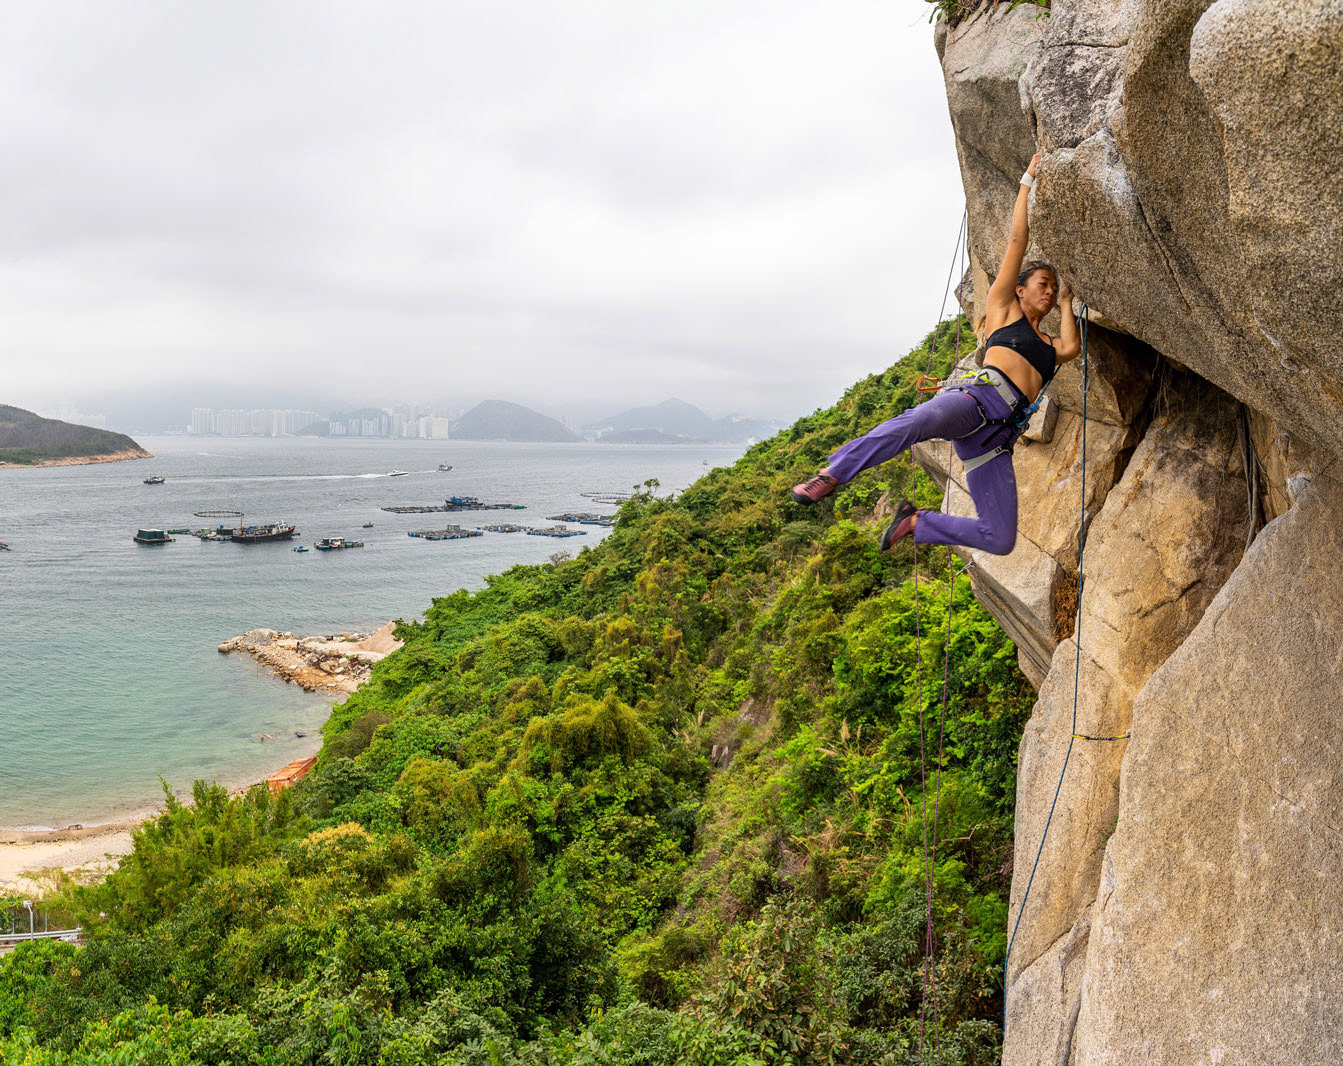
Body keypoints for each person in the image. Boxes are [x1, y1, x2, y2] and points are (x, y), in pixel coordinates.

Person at [790, 153, 1082, 555]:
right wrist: (1026, 181)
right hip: (977, 401)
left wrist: (1066, 302)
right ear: (1020, 289)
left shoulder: (1051, 346)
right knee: (916, 423)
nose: (1048, 291)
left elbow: (1072, 346)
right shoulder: (1003, 309)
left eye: (1052, 288)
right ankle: (832, 473)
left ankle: (916, 521)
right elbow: (1018, 241)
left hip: (996, 440)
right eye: (1043, 284)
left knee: (1000, 538)